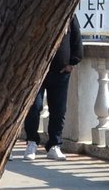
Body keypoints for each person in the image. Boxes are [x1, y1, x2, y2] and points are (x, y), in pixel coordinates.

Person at [23, 14, 84, 160]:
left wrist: (73, 62)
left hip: (60, 71)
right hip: (35, 71)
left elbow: (76, 37)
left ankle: (54, 145)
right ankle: (32, 142)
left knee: (58, 109)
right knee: (34, 107)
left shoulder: (70, 16)